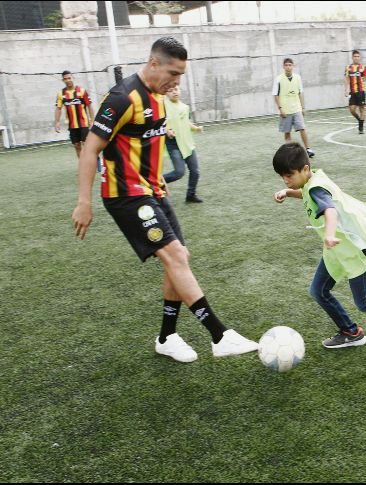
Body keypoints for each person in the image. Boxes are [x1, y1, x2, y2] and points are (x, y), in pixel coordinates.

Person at [71, 37, 260, 363]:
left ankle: (167, 336)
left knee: (179, 257)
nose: (177, 81)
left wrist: (157, 180)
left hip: (151, 191)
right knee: (174, 254)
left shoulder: (159, 98)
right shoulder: (121, 97)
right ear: (154, 63)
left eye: (182, 74)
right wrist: (83, 202)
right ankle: (219, 335)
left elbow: (148, 143)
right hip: (124, 195)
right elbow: (90, 149)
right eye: (173, 72)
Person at [272, 142, 366, 349]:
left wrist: (328, 234)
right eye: (282, 176)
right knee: (319, 291)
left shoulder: (317, 187)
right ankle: (350, 332)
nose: (285, 180)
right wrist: (288, 192)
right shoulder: (313, 181)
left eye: (289, 175)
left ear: (305, 169)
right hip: (336, 251)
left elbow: (330, 210)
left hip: (352, 250)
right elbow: (309, 194)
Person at [162, 85, 204, 203]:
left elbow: (186, 122)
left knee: (195, 171)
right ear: (166, 94)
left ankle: (190, 195)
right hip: (173, 144)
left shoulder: (185, 107)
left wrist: (196, 128)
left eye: (176, 89)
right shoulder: (163, 106)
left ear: (179, 91)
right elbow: (159, 123)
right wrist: (167, 131)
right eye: (170, 91)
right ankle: (158, 182)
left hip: (187, 143)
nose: (174, 92)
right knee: (179, 173)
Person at [273, 58, 315, 158]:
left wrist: (302, 107)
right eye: (286, 65)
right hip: (285, 110)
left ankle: (308, 149)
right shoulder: (278, 79)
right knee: (287, 132)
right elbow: (275, 95)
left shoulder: (297, 78)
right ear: (283, 67)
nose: (288, 67)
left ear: (293, 66)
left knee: (302, 128)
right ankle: (290, 152)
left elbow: (300, 93)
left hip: (296, 108)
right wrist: (280, 108)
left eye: (290, 65)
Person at [55, 71, 95, 159]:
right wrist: (57, 122)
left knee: (87, 144)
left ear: (73, 78)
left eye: (69, 78)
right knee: (77, 146)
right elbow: (58, 108)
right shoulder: (61, 94)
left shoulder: (82, 91)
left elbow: (89, 105)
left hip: (84, 123)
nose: (68, 80)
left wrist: (92, 120)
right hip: (72, 125)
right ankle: (82, 166)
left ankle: (94, 161)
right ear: (63, 80)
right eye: (65, 79)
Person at [345, 50, 366, 134]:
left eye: (358, 56)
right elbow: (346, 79)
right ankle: (360, 120)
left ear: (359, 57)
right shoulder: (348, 68)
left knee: (362, 109)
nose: (356, 58)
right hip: (352, 92)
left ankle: (361, 127)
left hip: (361, 91)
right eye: (355, 56)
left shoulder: (363, 67)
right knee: (352, 110)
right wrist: (346, 89)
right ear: (352, 57)